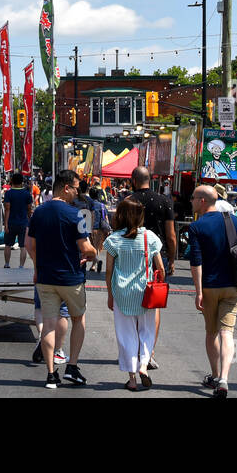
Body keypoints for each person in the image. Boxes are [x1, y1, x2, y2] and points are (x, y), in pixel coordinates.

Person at [27, 170, 96, 389]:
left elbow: (29, 244)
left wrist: (38, 266)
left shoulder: (38, 212)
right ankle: (72, 366)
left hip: (45, 277)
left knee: (48, 325)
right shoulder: (76, 214)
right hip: (71, 277)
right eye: (76, 188)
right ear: (66, 187)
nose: (78, 192)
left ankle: (50, 375)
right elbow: (85, 248)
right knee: (78, 318)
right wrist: (93, 252)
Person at [188, 184, 237, 398]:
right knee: (227, 333)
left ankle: (215, 375)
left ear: (202, 201)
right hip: (233, 285)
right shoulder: (232, 220)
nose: (191, 202)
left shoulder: (196, 227)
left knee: (211, 332)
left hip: (209, 286)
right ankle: (224, 379)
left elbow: (196, 261)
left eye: (193, 198)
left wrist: (198, 291)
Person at [103, 197, 164, 391]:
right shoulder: (150, 237)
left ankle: (132, 379)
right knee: (146, 331)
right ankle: (144, 365)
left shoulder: (113, 240)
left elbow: (109, 271)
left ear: (120, 215)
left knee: (126, 334)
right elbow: (160, 268)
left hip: (122, 293)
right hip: (145, 292)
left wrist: (110, 294)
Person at [129, 166, 176, 370]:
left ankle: (136, 348)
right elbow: (171, 234)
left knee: (133, 302)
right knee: (153, 303)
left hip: (132, 255)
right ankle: (149, 351)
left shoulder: (129, 201)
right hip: (158, 258)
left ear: (133, 180)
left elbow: (120, 229)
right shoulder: (164, 201)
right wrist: (172, 259)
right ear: (151, 179)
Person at [3, 172, 34, 268]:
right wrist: (30, 220)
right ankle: (21, 266)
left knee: (8, 245)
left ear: (12, 181)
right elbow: (29, 209)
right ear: (22, 182)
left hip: (11, 222)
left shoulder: (8, 193)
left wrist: (6, 224)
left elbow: (7, 209)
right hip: (23, 223)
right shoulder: (27, 194)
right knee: (23, 246)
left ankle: (7, 264)